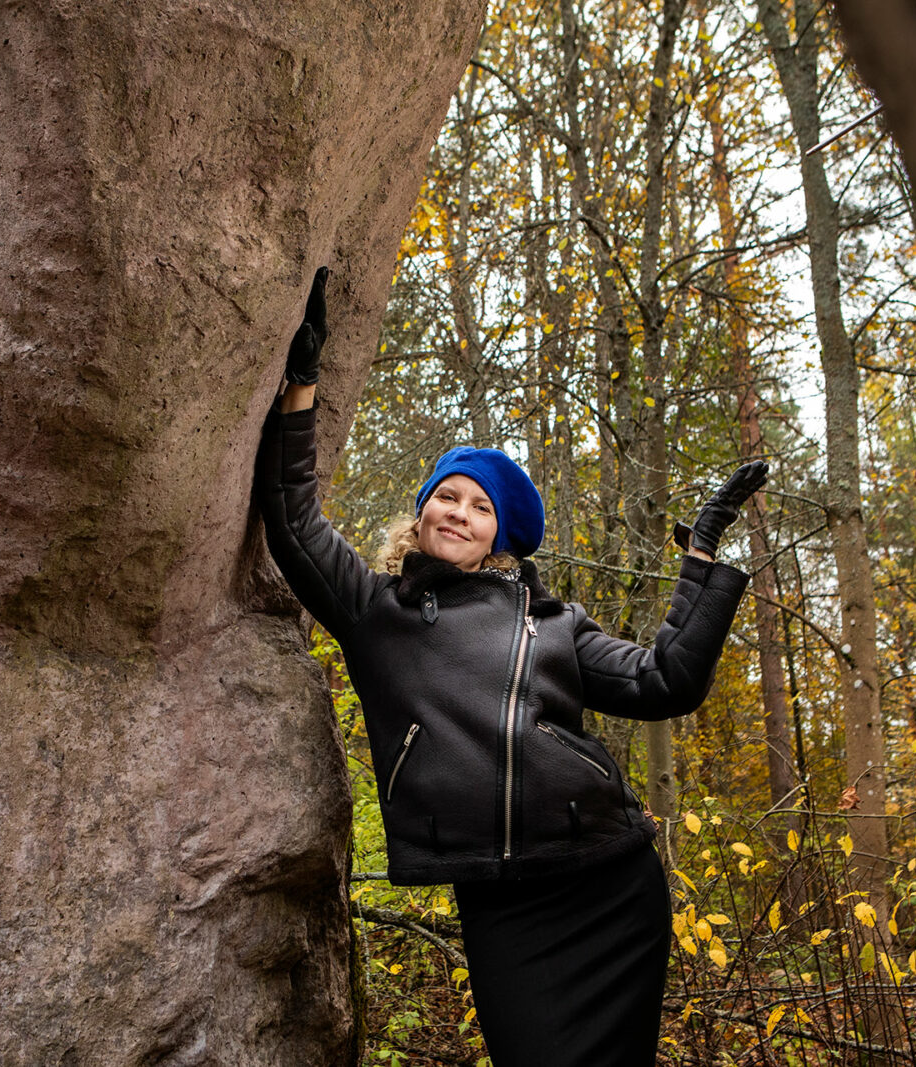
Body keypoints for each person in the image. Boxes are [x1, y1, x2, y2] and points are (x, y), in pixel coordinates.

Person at [255, 268, 767, 1067]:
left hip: (609, 878)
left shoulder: (551, 621)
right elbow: (293, 520)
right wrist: (301, 383)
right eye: (448, 496)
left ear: (499, 535)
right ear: (422, 511)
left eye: (480, 506)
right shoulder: (375, 608)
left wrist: (701, 554)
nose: (459, 513)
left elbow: (666, 680)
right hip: (501, 903)